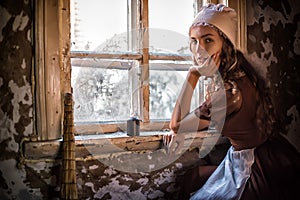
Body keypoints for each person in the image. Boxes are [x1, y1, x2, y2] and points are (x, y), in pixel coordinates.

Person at [163, 3, 300, 200]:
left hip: (256, 165)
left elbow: (176, 125)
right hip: (266, 153)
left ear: (225, 43)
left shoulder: (229, 92)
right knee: (192, 177)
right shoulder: (240, 74)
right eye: (194, 41)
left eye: (208, 40)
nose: (199, 50)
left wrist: (193, 75)